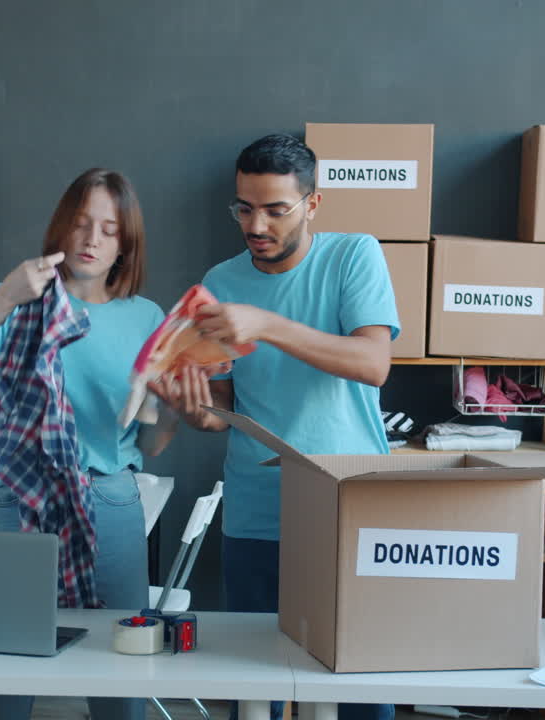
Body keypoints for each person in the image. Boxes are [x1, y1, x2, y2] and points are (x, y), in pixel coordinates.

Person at [149, 133, 397, 720]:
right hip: (256, 512)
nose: (256, 224)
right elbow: (221, 409)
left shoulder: (353, 255)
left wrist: (266, 321)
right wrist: (191, 408)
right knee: (255, 687)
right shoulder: (222, 280)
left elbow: (372, 363)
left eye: (275, 209)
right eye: (244, 207)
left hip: (347, 507)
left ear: (312, 204)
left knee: (359, 693)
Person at [0, 167, 178, 720]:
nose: (92, 240)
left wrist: (171, 403)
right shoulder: (15, 299)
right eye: (82, 224)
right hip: (19, 498)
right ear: (62, 228)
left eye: (109, 229)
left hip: (108, 499)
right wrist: (1, 302)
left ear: (125, 243)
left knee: (121, 668)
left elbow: (153, 443)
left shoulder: (146, 318)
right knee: (5, 670)